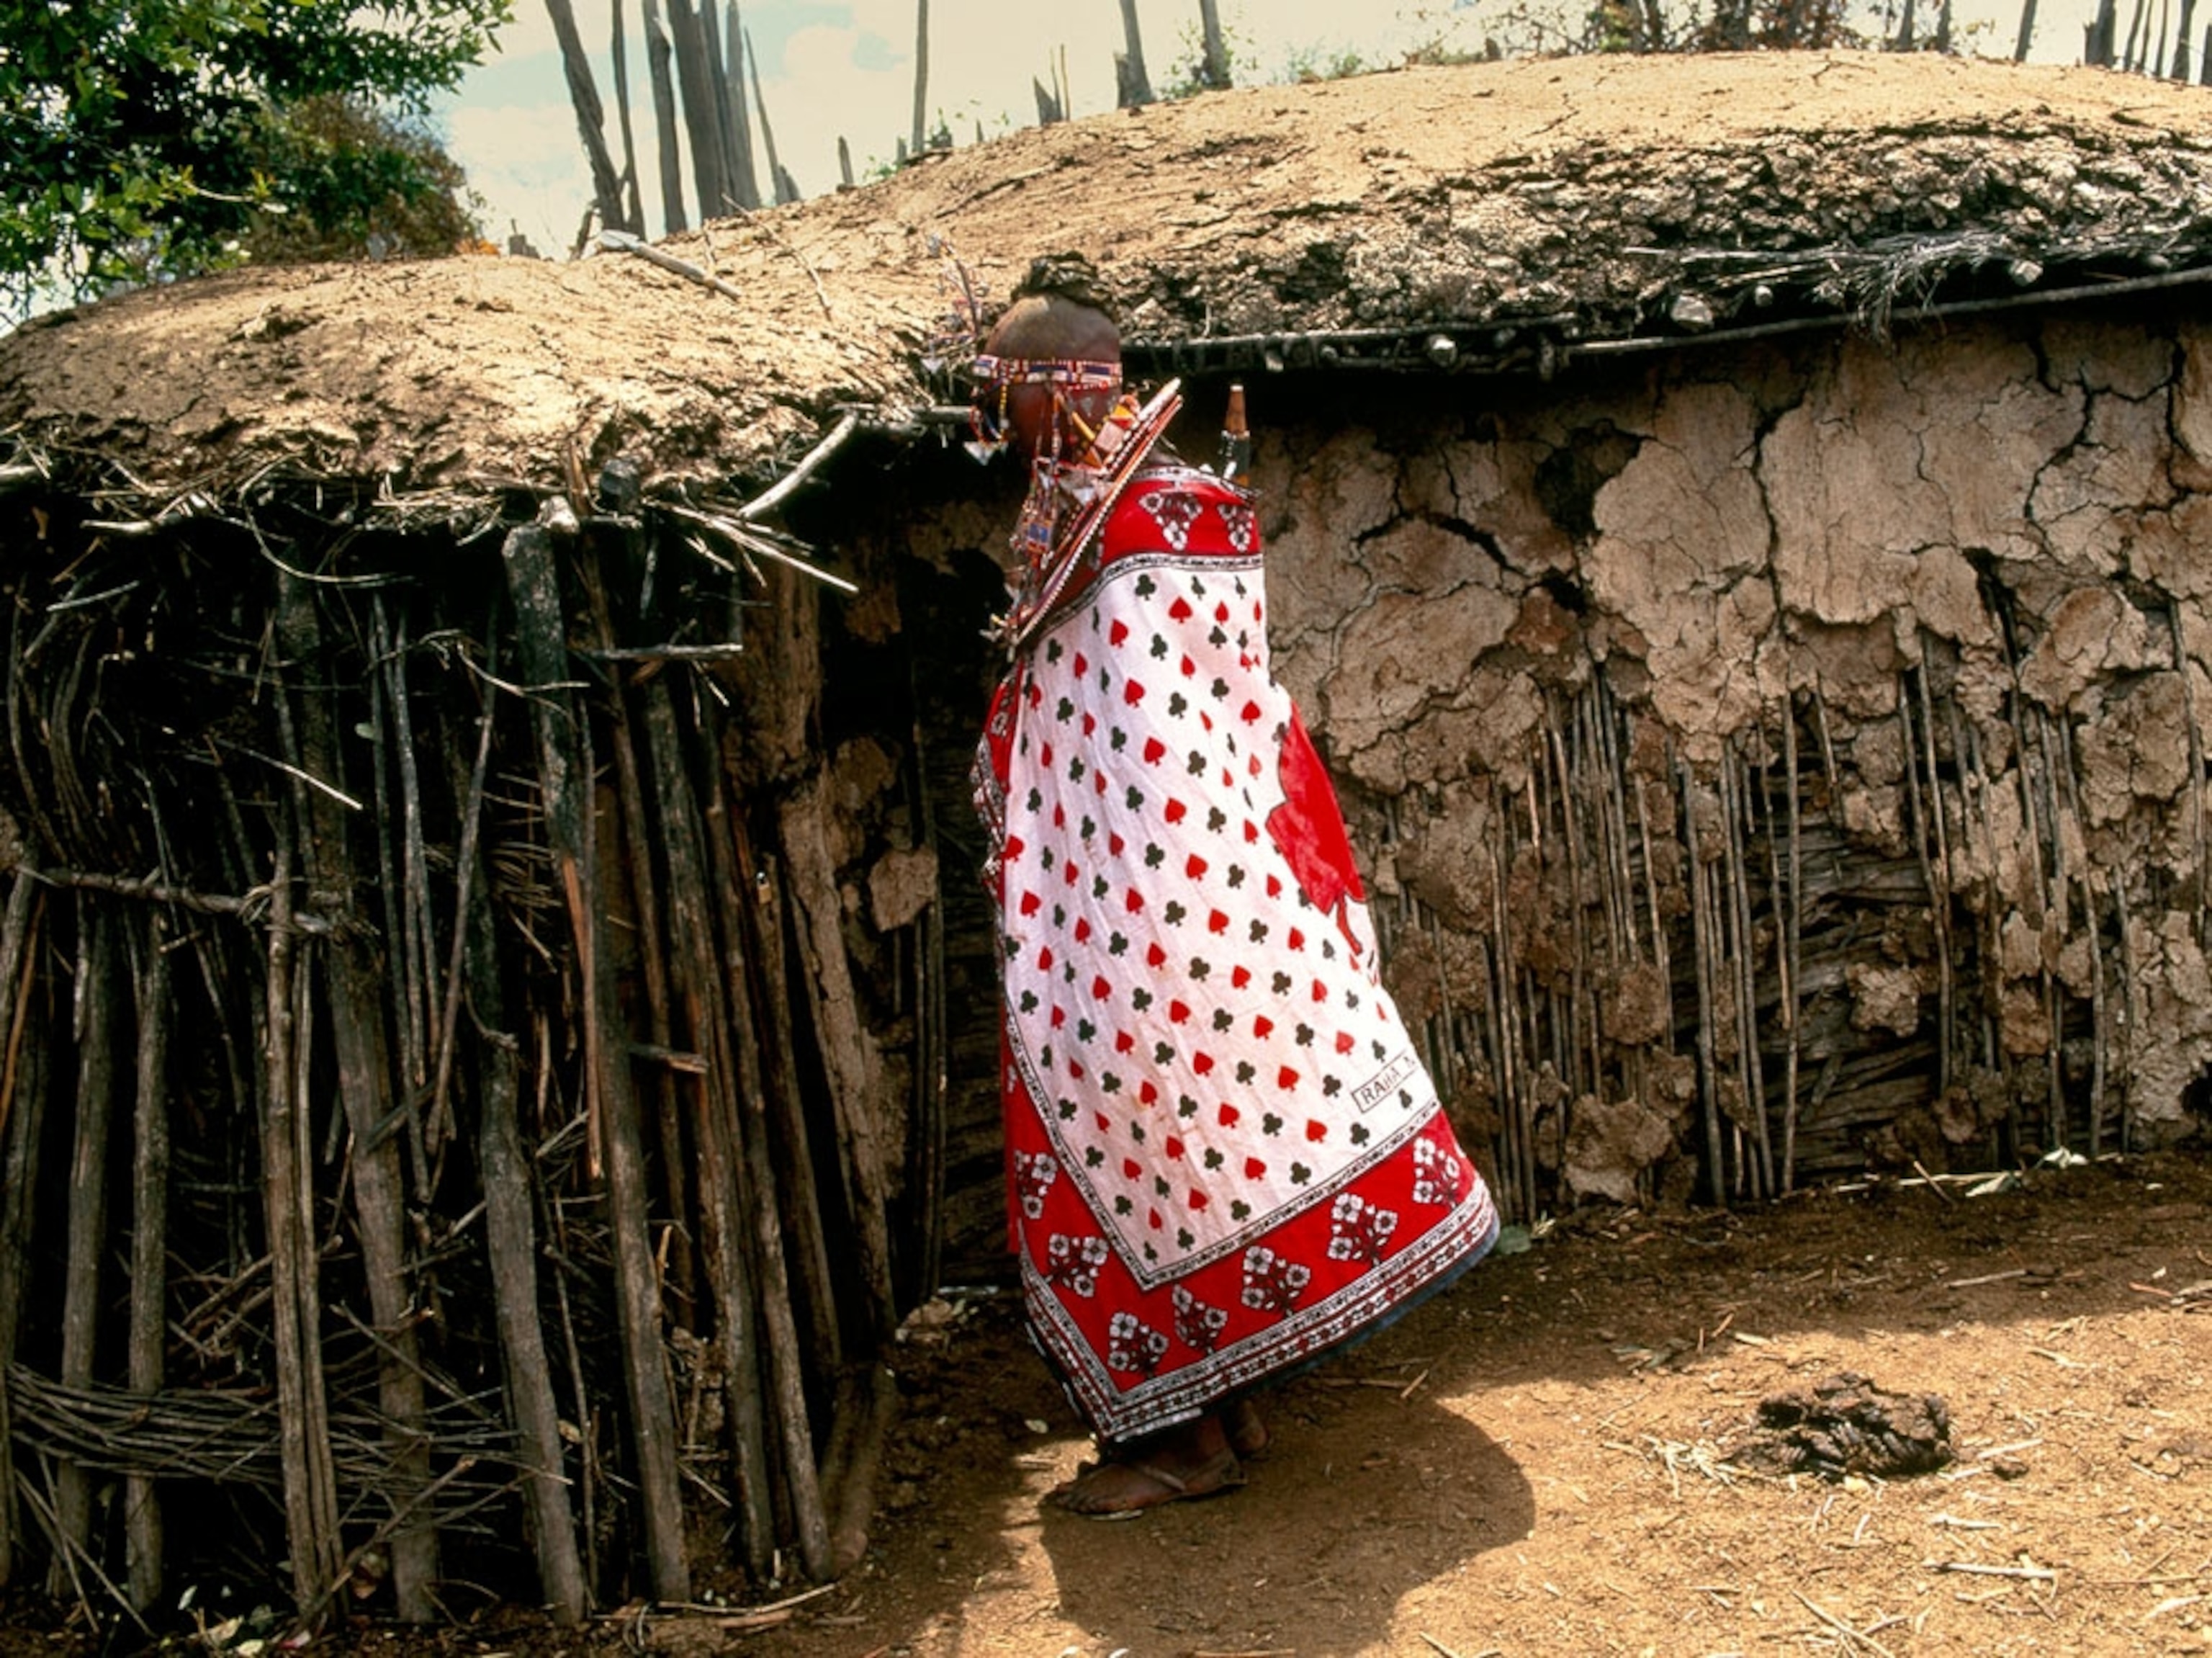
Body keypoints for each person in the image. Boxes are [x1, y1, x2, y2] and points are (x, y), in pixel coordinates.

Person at [969, 263, 1499, 1515]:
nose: (988, 422)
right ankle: (1224, 1400)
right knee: (1189, 1149)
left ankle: (1180, 1438)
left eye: (999, 392)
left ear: (1056, 393)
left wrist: (1105, 919)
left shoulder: (1131, 537)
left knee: (1140, 1146)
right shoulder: (1160, 516)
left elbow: (1137, 748)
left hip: (1139, 915)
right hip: (1209, 896)